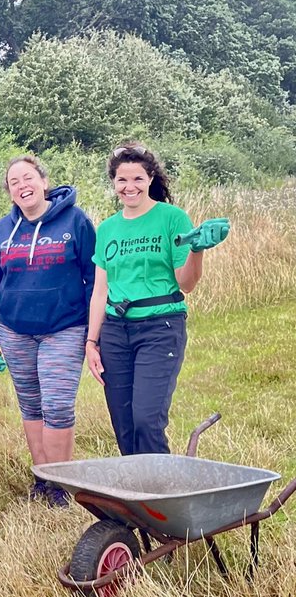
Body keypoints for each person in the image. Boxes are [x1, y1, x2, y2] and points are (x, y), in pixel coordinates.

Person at [85, 143, 229, 456]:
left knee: (146, 420)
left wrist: (197, 249)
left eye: (137, 179)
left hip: (160, 328)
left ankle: (162, 496)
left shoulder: (172, 218)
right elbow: (100, 291)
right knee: (123, 423)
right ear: (113, 183)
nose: (129, 187)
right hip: (115, 332)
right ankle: (135, 500)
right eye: (122, 180)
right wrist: (91, 342)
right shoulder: (107, 229)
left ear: (150, 178)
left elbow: (186, 283)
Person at [0, 155, 96, 505]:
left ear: (44, 182)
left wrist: (94, 334)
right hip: (13, 331)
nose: (22, 186)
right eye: (14, 182)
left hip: (65, 327)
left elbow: (94, 278)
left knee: (57, 405)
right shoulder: (2, 230)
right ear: (10, 192)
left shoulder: (76, 221)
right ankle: (42, 478)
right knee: (31, 406)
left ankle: (60, 484)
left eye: (28, 178)